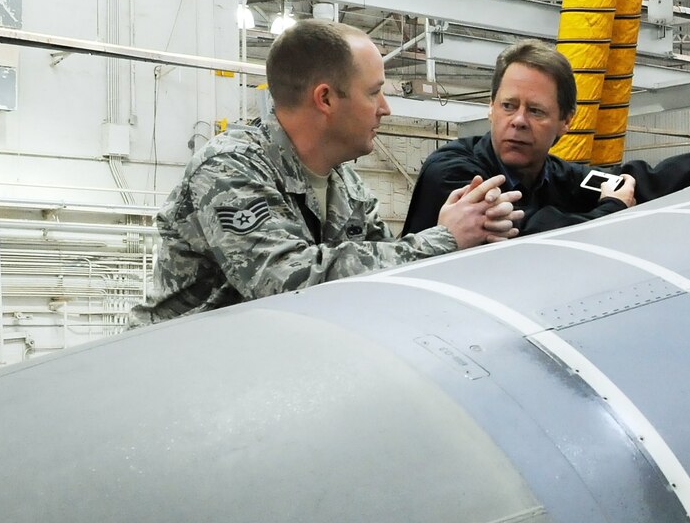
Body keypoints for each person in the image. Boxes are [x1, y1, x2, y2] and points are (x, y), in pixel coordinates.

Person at [135, 21, 521, 326]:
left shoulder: (346, 186)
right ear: (325, 99)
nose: (385, 108)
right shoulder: (228, 167)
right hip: (176, 375)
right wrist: (441, 240)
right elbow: (284, 283)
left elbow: (380, 271)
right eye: (374, 92)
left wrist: (464, 227)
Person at [401, 40, 690, 237]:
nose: (518, 121)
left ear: (565, 121)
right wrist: (612, 210)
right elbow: (532, 240)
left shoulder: (558, 177)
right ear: (490, 108)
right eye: (508, 106)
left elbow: (653, 179)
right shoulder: (456, 173)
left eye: (536, 111)